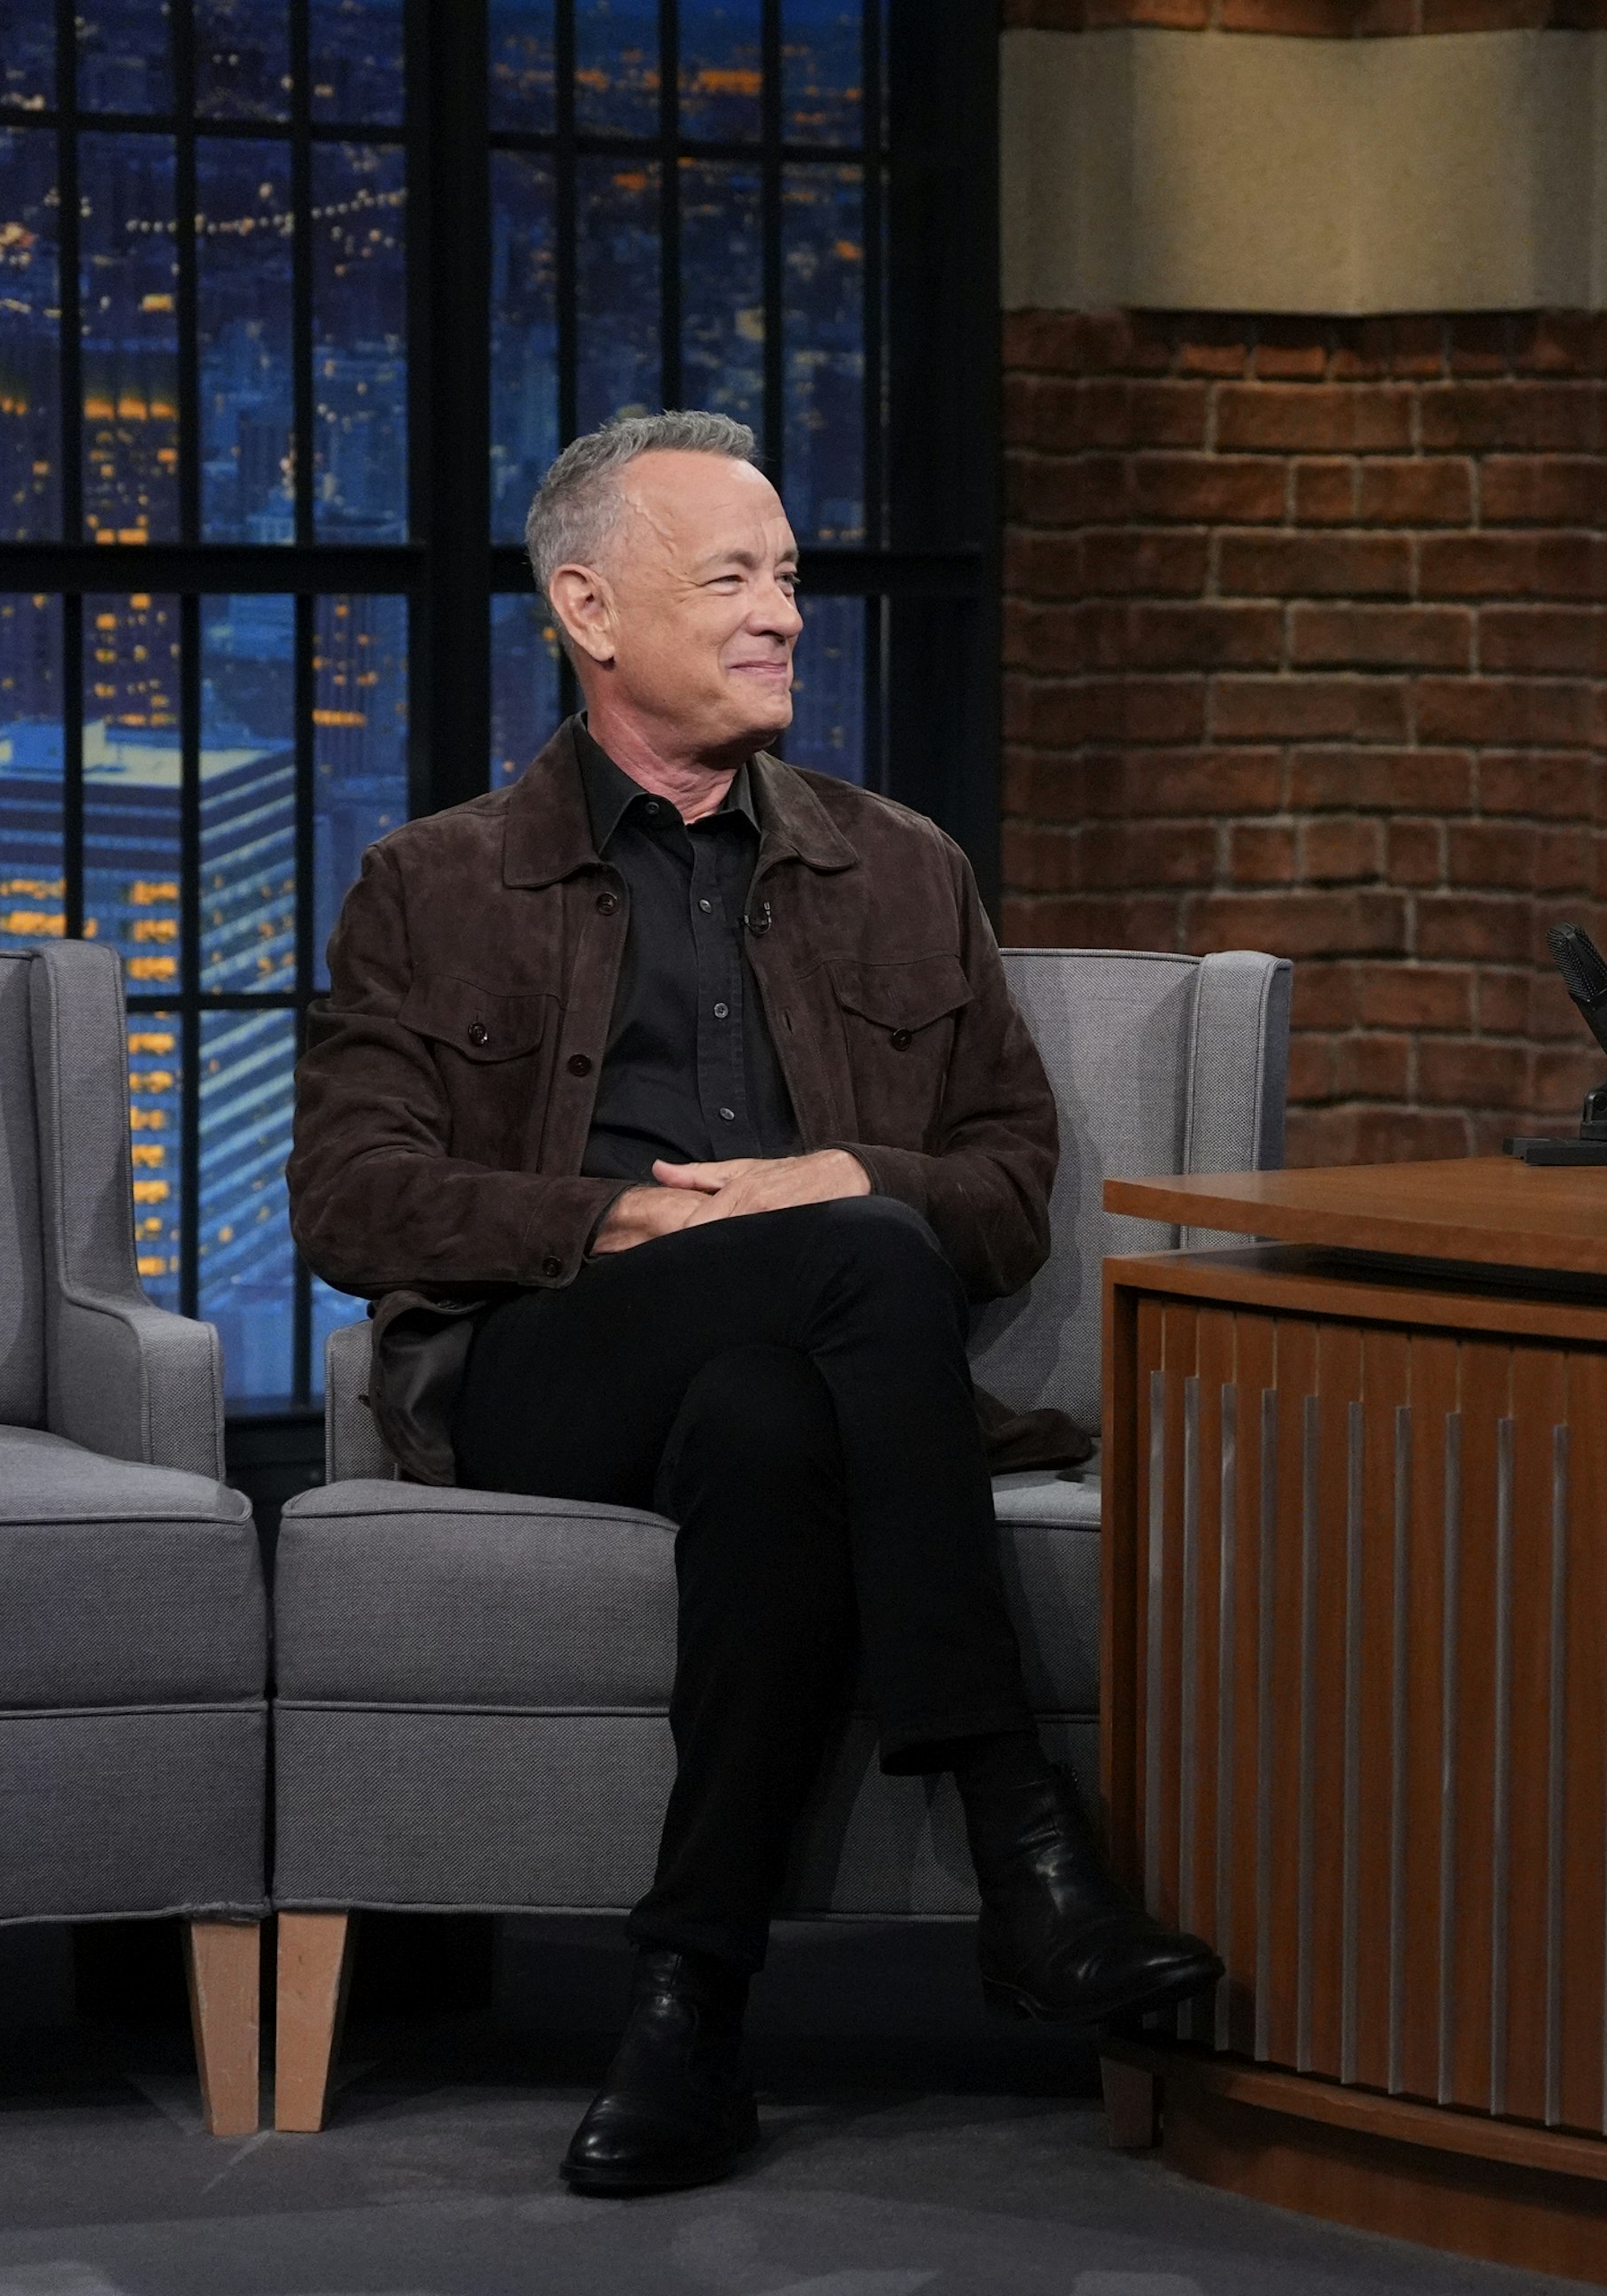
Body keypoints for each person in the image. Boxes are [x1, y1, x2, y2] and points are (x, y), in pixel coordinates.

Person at [288, 410, 1219, 2197]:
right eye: (731, 577)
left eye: (788, 576)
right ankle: (1025, 1842)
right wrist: (626, 1208)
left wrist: (823, 1184)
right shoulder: (437, 881)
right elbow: (350, 1193)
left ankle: (691, 2001)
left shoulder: (903, 867)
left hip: (803, 1376)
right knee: (862, 1245)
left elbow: (1013, 1180)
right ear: (588, 606)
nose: (784, 612)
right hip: (554, 1360)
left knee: (780, 1404)